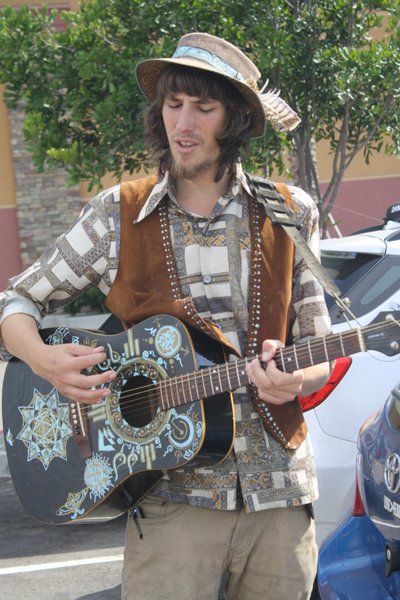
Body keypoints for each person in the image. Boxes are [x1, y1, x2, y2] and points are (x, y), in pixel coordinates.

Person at [0, 32, 331, 600]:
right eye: (174, 105)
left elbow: (319, 349)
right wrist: (42, 358)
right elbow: (16, 302)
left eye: (204, 107)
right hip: (171, 502)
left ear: (236, 120)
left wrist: (292, 382)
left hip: (279, 497)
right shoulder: (115, 215)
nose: (184, 123)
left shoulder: (291, 211)